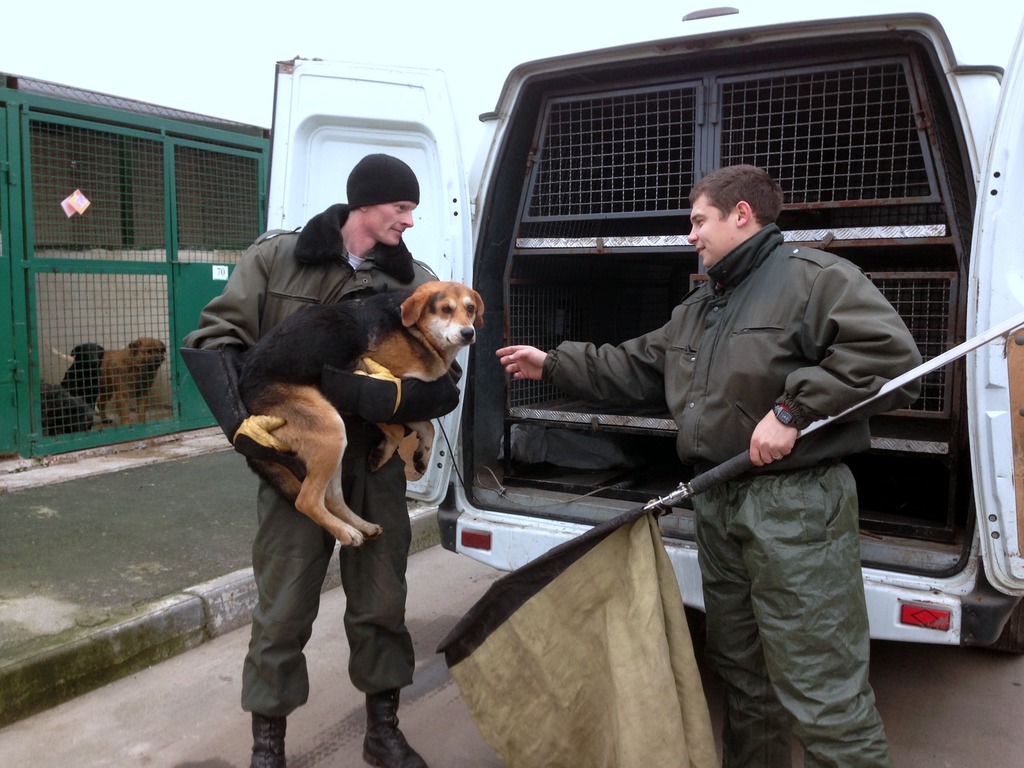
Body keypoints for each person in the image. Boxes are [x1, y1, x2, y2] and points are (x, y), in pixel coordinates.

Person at [496, 164, 922, 767]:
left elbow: (889, 360)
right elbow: (639, 364)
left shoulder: (815, 279)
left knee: (821, 688)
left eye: (699, 221)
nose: (690, 235)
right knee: (745, 677)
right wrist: (555, 364)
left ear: (740, 215)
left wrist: (793, 409)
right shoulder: (702, 305)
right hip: (718, 501)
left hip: (794, 505)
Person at [184, 153, 460, 768]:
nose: (410, 222)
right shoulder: (277, 258)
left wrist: (386, 397)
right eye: (402, 207)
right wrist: (242, 430)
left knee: (383, 603)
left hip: (376, 465)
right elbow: (213, 342)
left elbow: (446, 378)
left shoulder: (417, 279)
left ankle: (382, 731)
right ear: (365, 203)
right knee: (282, 604)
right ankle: (268, 744)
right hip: (296, 445)